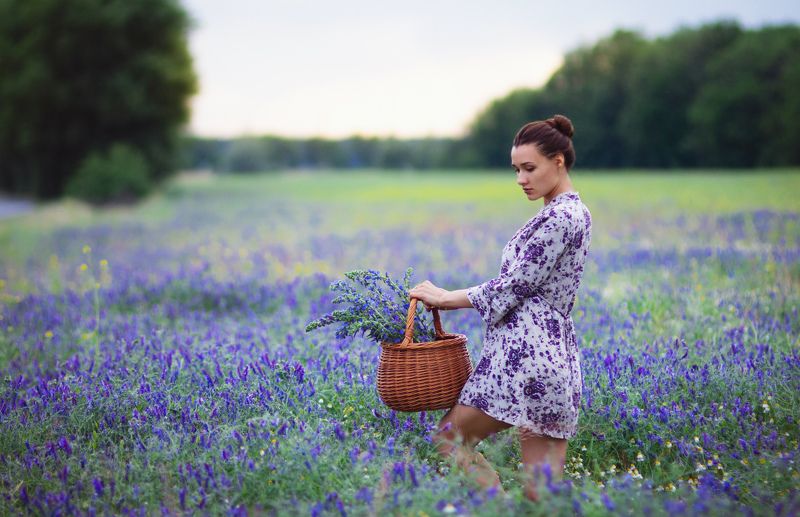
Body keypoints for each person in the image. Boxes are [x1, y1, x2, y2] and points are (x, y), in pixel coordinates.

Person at [409, 114, 592, 502]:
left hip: (526, 362)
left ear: (558, 161)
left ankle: (496, 508)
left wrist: (445, 298)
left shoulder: (560, 217)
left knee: (449, 440)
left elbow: (516, 285)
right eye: (516, 169)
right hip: (552, 362)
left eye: (530, 168)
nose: (521, 179)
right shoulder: (568, 212)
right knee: (542, 496)